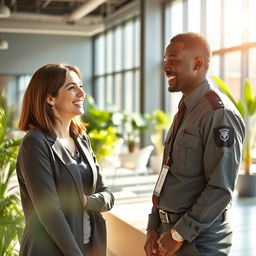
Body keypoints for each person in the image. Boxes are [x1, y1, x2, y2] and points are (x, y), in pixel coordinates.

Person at [144, 32, 245, 256]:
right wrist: (154, 224)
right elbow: (168, 172)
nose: (165, 68)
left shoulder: (219, 114)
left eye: (173, 60)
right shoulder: (186, 110)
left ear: (197, 63)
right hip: (168, 233)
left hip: (198, 241)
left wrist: (179, 233)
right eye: (165, 61)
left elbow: (220, 188)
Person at [16, 63, 115, 256]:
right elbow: (50, 212)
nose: (81, 93)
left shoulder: (81, 139)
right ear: (50, 98)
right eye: (72, 87)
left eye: (81, 86)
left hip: (90, 246)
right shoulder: (35, 143)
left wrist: (85, 201)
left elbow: (108, 196)